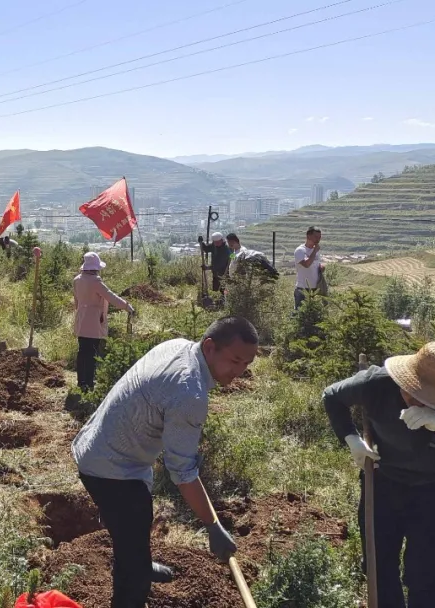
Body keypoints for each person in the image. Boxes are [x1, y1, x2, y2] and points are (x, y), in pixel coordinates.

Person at [72, 317, 259, 608]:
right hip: (110, 468)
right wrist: (212, 525)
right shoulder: (189, 393)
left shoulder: (180, 345)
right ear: (210, 347)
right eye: (234, 361)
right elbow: (182, 473)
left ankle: (140, 562)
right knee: (132, 553)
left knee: (138, 520)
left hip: (104, 445)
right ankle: (133, 584)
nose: (239, 372)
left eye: (246, 364)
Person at [322, 342, 435, 608]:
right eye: (411, 390)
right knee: (378, 567)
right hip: (383, 483)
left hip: (434, 493)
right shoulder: (377, 383)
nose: (414, 400)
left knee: (424, 576)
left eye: (427, 398)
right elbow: (332, 396)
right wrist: (352, 439)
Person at [73, 252, 134, 391]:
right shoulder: (96, 282)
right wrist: (126, 306)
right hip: (94, 322)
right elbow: (111, 296)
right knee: (92, 353)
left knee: (82, 351)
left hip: (81, 319)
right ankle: (88, 384)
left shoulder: (77, 280)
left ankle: (81, 382)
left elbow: (76, 302)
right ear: (95, 268)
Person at [294, 226, 322, 309]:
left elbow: (315, 265)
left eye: (320, 237)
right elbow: (306, 265)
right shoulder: (300, 250)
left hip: (315, 289)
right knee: (299, 314)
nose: (318, 239)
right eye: (316, 237)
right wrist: (314, 251)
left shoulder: (316, 251)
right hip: (303, 289)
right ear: (308, 236)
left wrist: (321, 267)